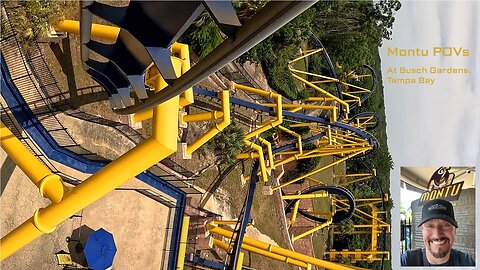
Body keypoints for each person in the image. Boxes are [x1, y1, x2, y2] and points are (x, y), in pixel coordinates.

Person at [401, 199, 475, 266]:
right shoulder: (406, 262)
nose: (437, 235)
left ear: (454, 230)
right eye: (430, 226)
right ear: (422, 230)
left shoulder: (467, 262)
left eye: (445, 225)